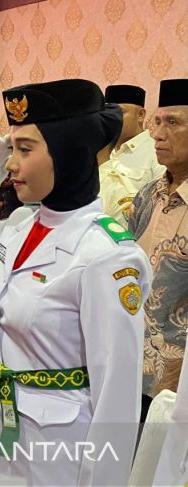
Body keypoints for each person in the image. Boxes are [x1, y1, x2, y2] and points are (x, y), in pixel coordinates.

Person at [0, 79, 150, 485]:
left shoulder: (107, 255)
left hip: (58, 453)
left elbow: (116, 397)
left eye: (25, 150)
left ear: (68, 152)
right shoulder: (19, 226)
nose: (11, 164)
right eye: (12, 149)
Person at [129, 78, 188, 421]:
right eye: (158, 122)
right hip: (131, 366)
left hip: (179, 384)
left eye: (173, 123)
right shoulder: (147, 195)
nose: (157, 134)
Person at [100, 84, 166, 226]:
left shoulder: (156, 152)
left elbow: (161, 205)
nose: (112, 119)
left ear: (140, 115)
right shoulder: (101, 151)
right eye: (107, 113)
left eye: (120, 112)